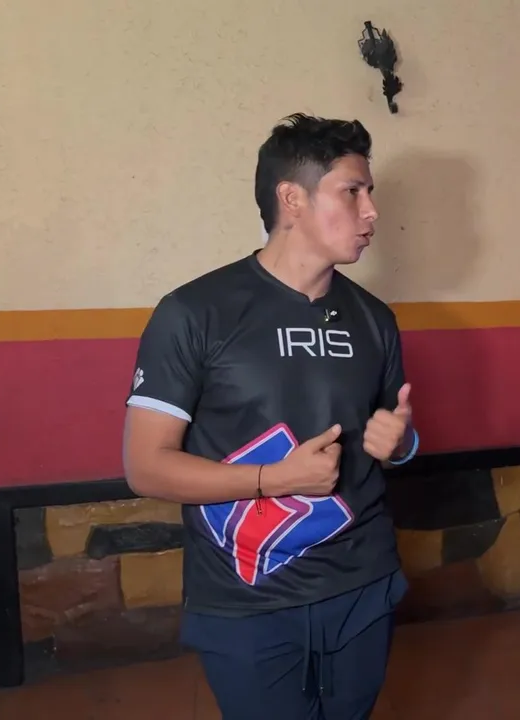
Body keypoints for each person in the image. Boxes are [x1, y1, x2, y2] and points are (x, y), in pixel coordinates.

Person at [122, 113, 418, 720]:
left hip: (361, 584)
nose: (371, 212)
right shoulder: (193, 313)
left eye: (370, 192)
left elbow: (397, 436)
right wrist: (273, 480)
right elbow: (145, 467)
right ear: (292, 199)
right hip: (245, 598)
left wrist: (403, 443)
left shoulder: (374, 319)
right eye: (352, 191)